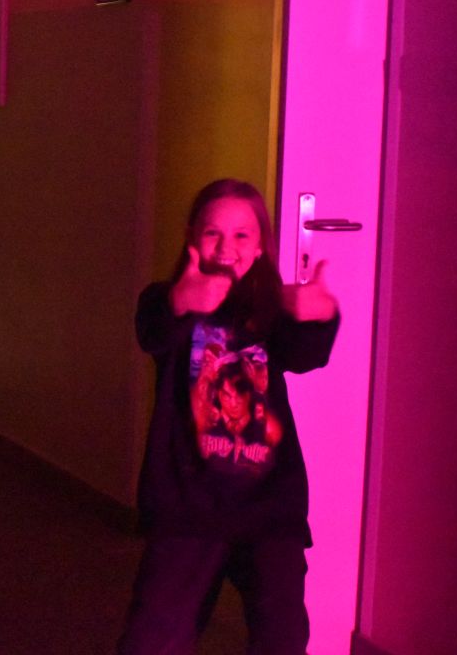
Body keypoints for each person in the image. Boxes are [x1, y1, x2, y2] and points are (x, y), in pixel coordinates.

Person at [118, 178, 340, 655]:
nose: (226, 247)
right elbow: (152, 330)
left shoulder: (270, 311)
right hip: (187, 507)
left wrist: (322, 316)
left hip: (269, 507)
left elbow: (305, 354)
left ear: (260, 247)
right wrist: (182, 301)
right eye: (212, 233)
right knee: (153, 638)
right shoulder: (167, 301)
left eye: (241, 235)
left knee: (282, 634)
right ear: (191, 238)